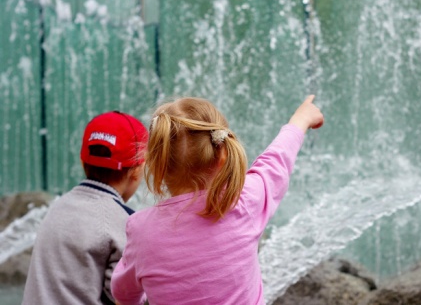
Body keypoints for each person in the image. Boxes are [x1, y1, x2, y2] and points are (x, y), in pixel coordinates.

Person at [111, 95, 324, 305]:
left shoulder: (141, 231)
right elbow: (276, 161)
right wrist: (300, 121)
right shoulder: (244, 202)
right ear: (223, 154)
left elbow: (123, 294)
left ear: (156, 165)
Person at [22, 111, 149, 305]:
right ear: (137, 171)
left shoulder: (57, 207)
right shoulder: (125, 222)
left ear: (82, 162)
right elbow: (125, 297)